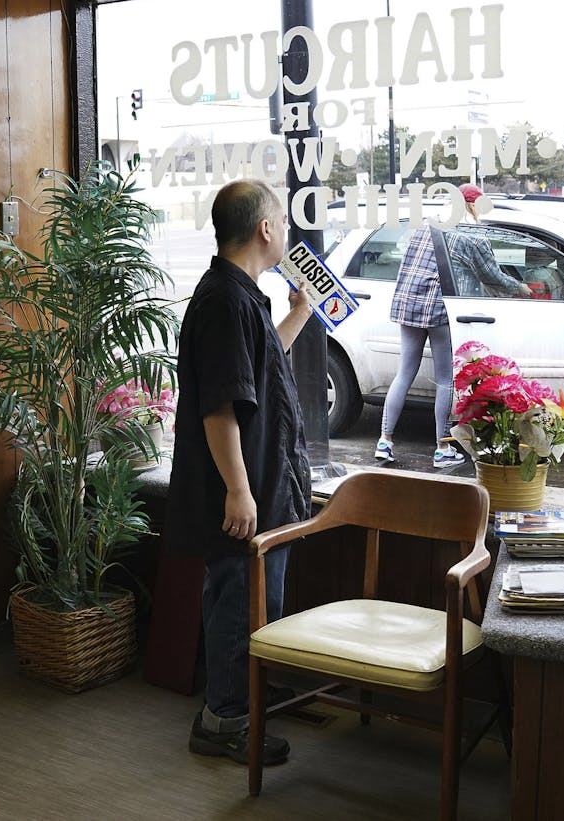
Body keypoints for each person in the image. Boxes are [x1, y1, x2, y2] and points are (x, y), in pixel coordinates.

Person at [167, 178, 314, 766]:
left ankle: (244, 701)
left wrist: (300, 313)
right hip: (243, 492)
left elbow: (257, 367)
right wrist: (238, 490)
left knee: (254, 600)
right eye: (281, 220)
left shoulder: (241, 295)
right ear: (266, 229)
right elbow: (219, 406)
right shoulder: (225, 300)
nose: (285, 231)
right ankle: (224, 720)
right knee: (238, 601)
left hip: (260, 487)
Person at [376, 185, 530, 467]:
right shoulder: (472, 236)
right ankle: (441, 449)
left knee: (404, 373)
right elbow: (492, 276)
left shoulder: (423, 226)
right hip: (439, 309)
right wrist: (521, 288)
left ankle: (385, 441)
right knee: (445, 379)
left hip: (408, 304)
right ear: (471, 206)